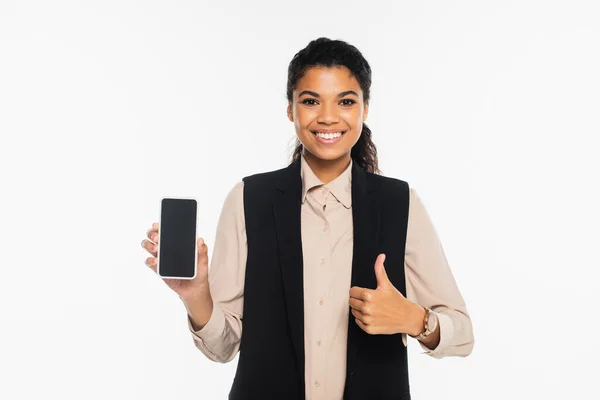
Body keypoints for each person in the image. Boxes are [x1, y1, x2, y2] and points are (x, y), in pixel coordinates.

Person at [141, 37, 474, 400]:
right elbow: (223, 347)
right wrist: (196, 295)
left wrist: (414, 320)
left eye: (346, 101)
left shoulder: (400, 203)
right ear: (290, 110)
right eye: (311, 101)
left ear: (365, 108)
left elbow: (463, 334)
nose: (328, 117)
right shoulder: (249, 199)